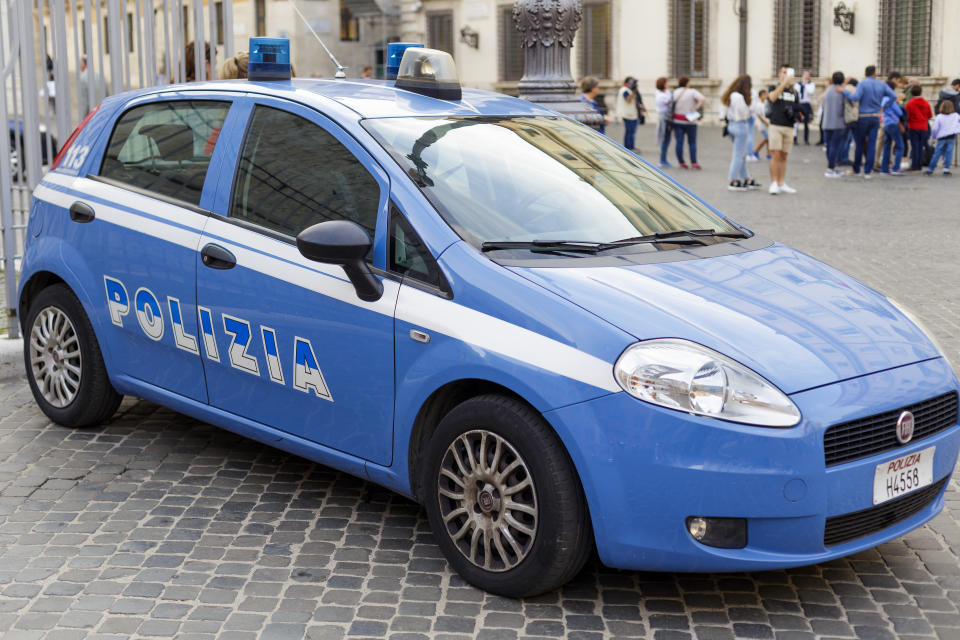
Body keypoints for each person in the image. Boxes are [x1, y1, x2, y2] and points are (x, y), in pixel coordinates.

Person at [842, 65, 897, 179]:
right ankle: (868, 170)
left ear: (865, 73)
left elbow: (855, 98)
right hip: (875, 116)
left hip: (863, 116)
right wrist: (884, 107)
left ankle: (856, 169)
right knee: (872, 144)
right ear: (874, 74)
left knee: (860, 144)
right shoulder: (881, 84)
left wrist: (845, 92)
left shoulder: (862, 84)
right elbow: (893, 96)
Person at [766, 64, 801, 195]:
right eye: (783, 72)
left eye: (788, 72)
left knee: (784, 156)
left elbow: (797, 107)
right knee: (775, 155)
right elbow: (772, 97)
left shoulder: (794, 91)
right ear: (779, 74)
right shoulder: (774, 87)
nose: (785, 75)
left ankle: (781, 182)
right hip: (775, 125)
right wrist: (783, 84)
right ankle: (774, 182)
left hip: (789, 127)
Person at [721, 75, 759, 191]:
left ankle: (746, 177)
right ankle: (732, 180)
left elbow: (723, 112)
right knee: (738, 155)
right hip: (740, 125)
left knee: (741, 154)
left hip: (731, 125)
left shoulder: (730, 94)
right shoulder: (738, 97)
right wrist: (752, 104)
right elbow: (744, 113)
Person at [671, 76, 704, 169]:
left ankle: (681, 162)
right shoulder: (692, 91)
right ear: (687, 83)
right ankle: (693, 162)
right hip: (690, 120)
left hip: (677, 120)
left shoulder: (675, 92)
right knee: (692, 142)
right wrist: (695, 107)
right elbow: (702, 98)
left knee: (679, 142)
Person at [821, 71, 847, 178]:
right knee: (834, 147)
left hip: (826, 122)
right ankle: (830, 169)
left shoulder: (827, 91)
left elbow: (823, 106)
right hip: (838, 123)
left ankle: (831, 167)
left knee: (829, 146)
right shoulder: (841, 91)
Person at [924, 100, 960, 176]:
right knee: (949, 153)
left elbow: (935, 128)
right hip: (951, 136)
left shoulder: (939, 117)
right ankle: (946, 169)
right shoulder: (956, 115)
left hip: (941, 136)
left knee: (937, 153)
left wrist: (933, 136)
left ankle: (931, 169)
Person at [905, 84, 933, 172]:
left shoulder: (909, 103)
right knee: (921, 146)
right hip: (923, 126)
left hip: (913, 126)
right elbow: (930, 115)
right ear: (921, 92)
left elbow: (906, 116)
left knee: (914, 146)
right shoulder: (926, 103)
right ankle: (919, 165)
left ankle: (914, 165)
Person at [879, 80, 905, 175]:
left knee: (887, 146)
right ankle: (896, 168)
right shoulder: (891, 99)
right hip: (893, 123)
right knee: (900, 146)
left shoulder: (882, 99)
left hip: (886, 124)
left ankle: (884, 168)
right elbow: (899, 112)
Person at [615, 76, 639, 151]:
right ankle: (628, 148)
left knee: (631, 132)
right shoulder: (624, 90)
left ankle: (630, 147)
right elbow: (628, 100)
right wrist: (634, 92)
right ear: (627, 83)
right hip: (628, 115)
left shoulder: (628, 90)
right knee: (629, 132)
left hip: (631, 114)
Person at [654, 77, 673, 168]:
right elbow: (669, 103)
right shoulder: (661, 95)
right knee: (665, 139)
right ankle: (662, 160)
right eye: (666, 83)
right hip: (664, 119)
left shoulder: (664, 92)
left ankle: (663, 159)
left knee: (666, 139)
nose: (668, 84)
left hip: (666, 117)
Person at [794, 70, 816, 144]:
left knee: (806, 122)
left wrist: (805, 84)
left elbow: (811, 92)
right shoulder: (798, 84)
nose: (806, 76)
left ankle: (806, 139)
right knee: (796, 121)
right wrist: (802, 84)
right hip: (799, 103)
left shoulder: (811, 84)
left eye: (808, 75)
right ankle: (795, 138)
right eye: (805, 75)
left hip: (806, 104)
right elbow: (796, 92)